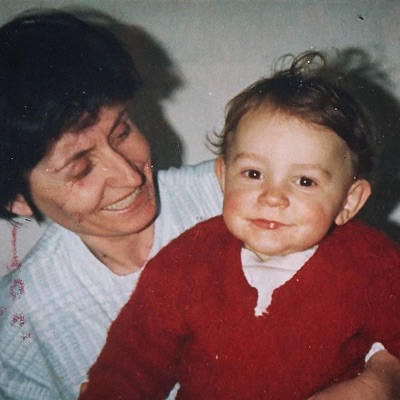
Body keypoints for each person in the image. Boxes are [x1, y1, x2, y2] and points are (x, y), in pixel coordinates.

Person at [0, 9, 397, 400]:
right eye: (81, 167)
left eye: (121, 132)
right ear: (18, 198)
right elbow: (129, 366)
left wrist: (380, 382)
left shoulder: (273, 196)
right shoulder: (26, 322)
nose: (130, 176)